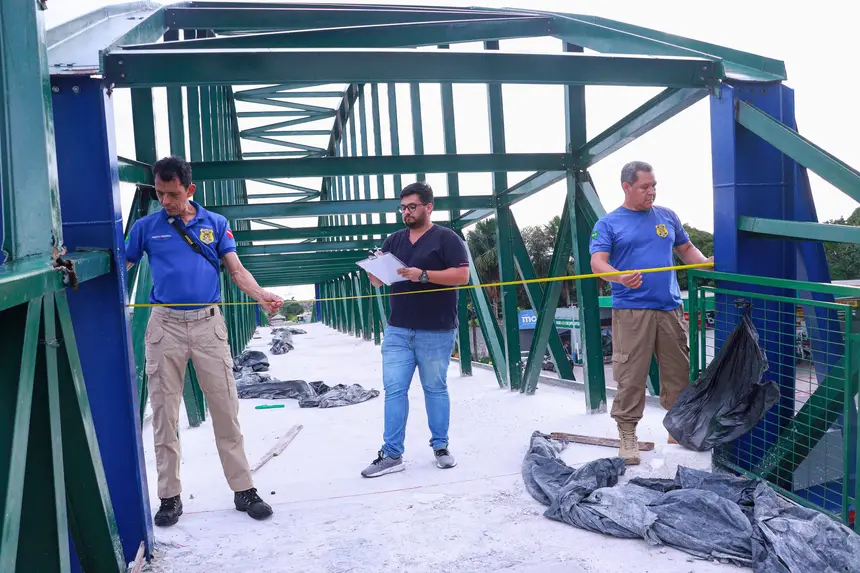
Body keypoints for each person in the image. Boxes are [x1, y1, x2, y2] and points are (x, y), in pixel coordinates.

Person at [125, 156, 284, 526]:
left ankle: (244, 490)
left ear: (190, 189)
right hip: (164, 326)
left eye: (173, 194)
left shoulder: (216, 224)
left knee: (226, 410)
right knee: (164, 414)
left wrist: (261, 294)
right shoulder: (147, 227)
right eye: (161, 194)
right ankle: (170, 497)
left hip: (208, 326)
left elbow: (236, 270)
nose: (166, 201)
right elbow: (123, 263)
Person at [588, 161, 711, 465]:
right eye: (644, 186)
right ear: (626, 187)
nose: (651, 191)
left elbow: (686, 251)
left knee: (678, 373)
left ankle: (678, 429)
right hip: (631, 311)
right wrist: (618, 276)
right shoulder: (608, 223)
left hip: (669, 308)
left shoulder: (667, 216)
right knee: (631, 376)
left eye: (654, 185)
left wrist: (709, 264)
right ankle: (628, 435)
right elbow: (597, 263)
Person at [361, 181, 471, 478]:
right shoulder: (394, 240)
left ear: (428, 207)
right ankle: (392, 454)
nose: (406, 212)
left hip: (436, 330)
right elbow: (377, 282)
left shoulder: (446, 238)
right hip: (398, 330)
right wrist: (375, 268)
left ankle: (441, 447)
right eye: (403, 207)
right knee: (394, 390)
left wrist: (422, 275)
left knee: (435, 389)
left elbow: (461, 275)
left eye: (412, 206)